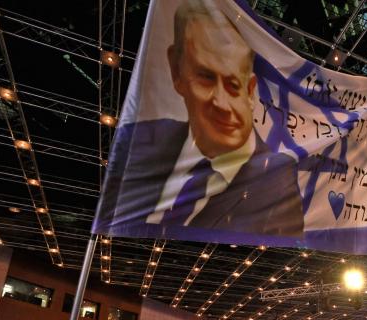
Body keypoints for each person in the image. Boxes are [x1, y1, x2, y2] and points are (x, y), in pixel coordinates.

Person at [96, 0, 304, 238]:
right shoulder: (142, 141)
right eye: (205, 78)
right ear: (177, 72)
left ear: (251, 90)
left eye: (234, 85)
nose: (222, 104)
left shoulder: (277, 186)